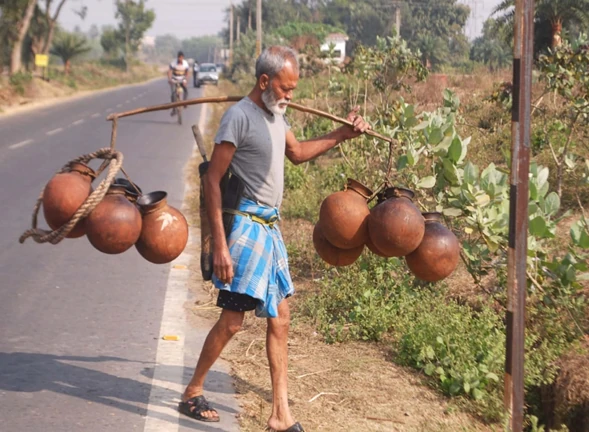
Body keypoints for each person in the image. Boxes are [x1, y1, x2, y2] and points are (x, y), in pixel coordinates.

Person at [178, 46, 371, 432]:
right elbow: (213, 180)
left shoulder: (276, 117)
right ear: (264, 82)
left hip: (270, 228)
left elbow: (297, 153)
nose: (290, 96)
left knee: (280, 318)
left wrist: (342, 135)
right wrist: (219, 244)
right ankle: (192, 391)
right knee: (233, 321)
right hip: (246, 228)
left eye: (293, 89)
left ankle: (280, 416)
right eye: (285, 88)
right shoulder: (238, 118)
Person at [167, 50, 189, 116]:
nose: (180, 59)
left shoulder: (185, 64)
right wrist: (170, 79)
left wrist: (186, 80)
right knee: (173, 94)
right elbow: (169, 72)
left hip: (182, 79)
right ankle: (174, 109)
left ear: (183, 57)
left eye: (181, 57)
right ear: (178, 57)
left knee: (186, 91)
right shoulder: (173, 63)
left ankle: (185, 103)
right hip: (174, 80)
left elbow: (187, 73)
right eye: (179, 57)